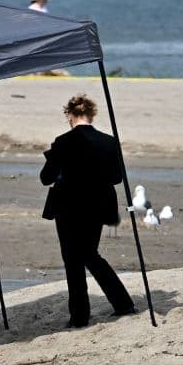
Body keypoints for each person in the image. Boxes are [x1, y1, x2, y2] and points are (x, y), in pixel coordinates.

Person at [40, 94, 137, 328]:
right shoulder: (109, 141)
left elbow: (46, 178)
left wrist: (55, 160)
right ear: (92, 115)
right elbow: (116, 177)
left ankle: (81, 316)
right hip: (98, 205)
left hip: (69, 206)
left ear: (69, 115)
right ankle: (121, 304)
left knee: (74, 258)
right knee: (88, 254)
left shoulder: (63, 141)